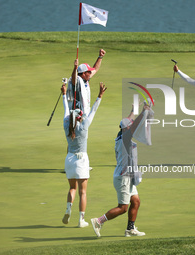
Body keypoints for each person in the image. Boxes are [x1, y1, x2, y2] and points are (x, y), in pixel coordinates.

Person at [91, 102, 154, 237]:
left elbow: (128, 122)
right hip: (123, 177)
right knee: (123, 208)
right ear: (127, 129)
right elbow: (133, 125)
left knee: (136, 201)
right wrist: (143, 112)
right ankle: (98, 221)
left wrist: (133, 110)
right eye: (130, 127)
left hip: (127, 176)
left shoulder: (122, 133)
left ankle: (130, 229)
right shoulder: (125, 137)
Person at [61, 81, 107, 228]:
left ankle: (68, 208)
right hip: (81, 160)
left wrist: (64, 94)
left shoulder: (66, 126)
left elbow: (66, 110)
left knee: (72, 188)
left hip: (69, 159)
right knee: (83, 192)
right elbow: (93, 110)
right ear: (80, 117)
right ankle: (81, 220)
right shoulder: (84, 127)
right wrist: (99, 95)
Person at [67, 49, 106, 114]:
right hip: (76, 114)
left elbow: (95, 69)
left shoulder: (85, 79)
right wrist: (75, 68)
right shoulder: (77, 81)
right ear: (84, 73)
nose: (91, 73)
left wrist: (100, 57)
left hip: (84, 113)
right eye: (89, 72)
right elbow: (74, 79)